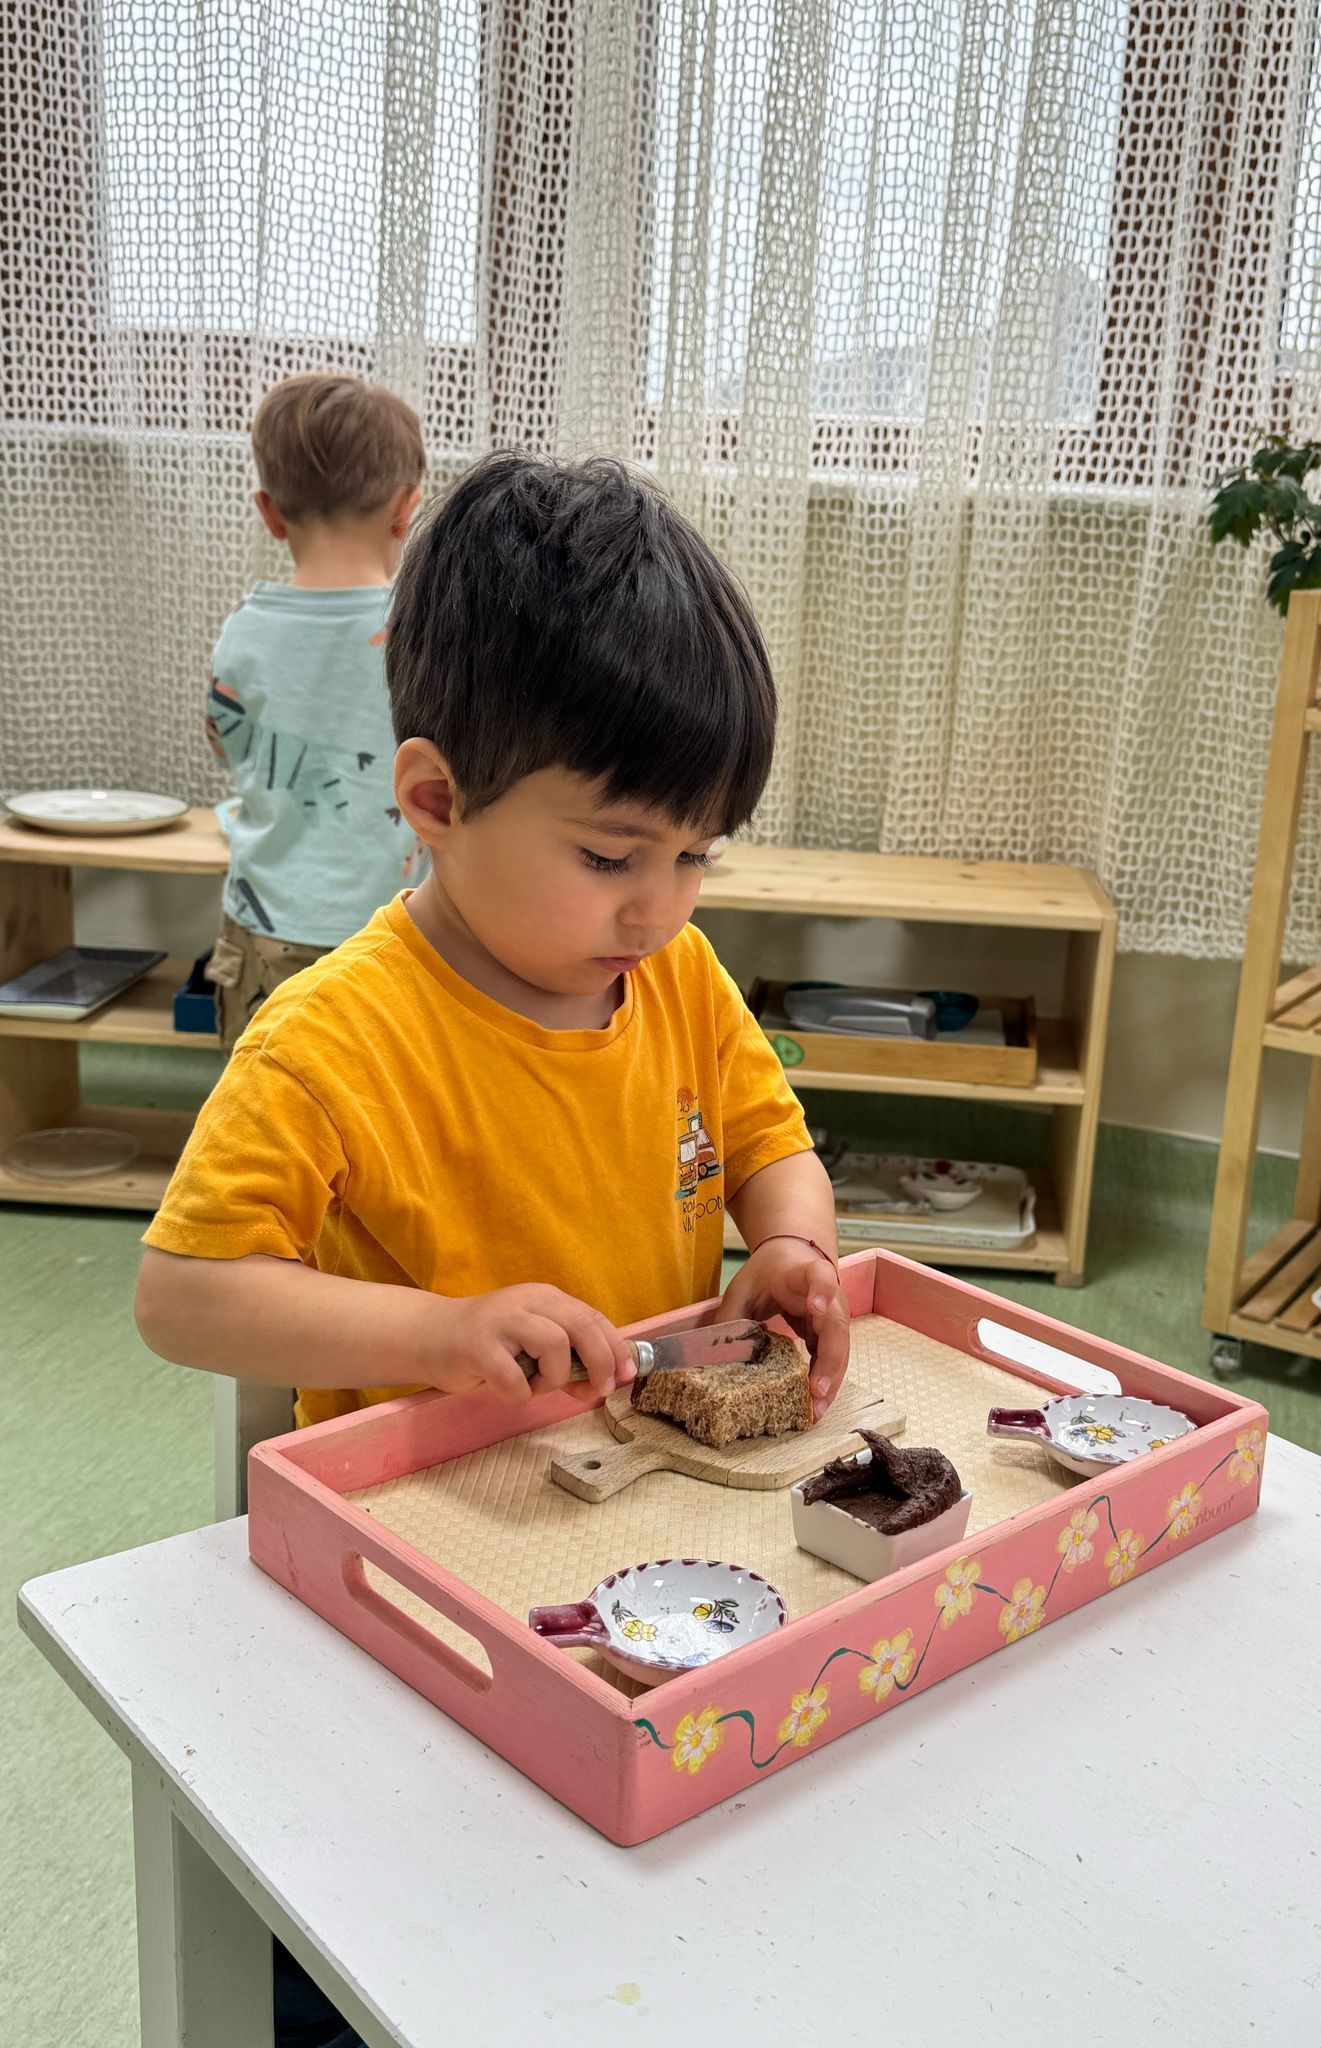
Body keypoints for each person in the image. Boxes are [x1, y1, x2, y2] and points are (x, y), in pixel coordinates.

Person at [138, 449, 851, 2048]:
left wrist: (792, 1246)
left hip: (638, 1514)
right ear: (435, 799)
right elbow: (180, 1296)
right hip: (423, 1556)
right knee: (406, 1922)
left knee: (678, 1882)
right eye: (612, 857)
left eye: (695, 856)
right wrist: (442, 1334)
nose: (660, 907)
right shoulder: (336, 1036)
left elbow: (767, 1138)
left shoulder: (670, 975)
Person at [204, 372, 429, 1046]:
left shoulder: (244, 629)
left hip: (267, 927)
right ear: (405, 509)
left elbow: (225, 743)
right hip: (396, 936)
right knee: (393, 1126)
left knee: (266, 1124)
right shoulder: (425, 631)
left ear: (271, 513)